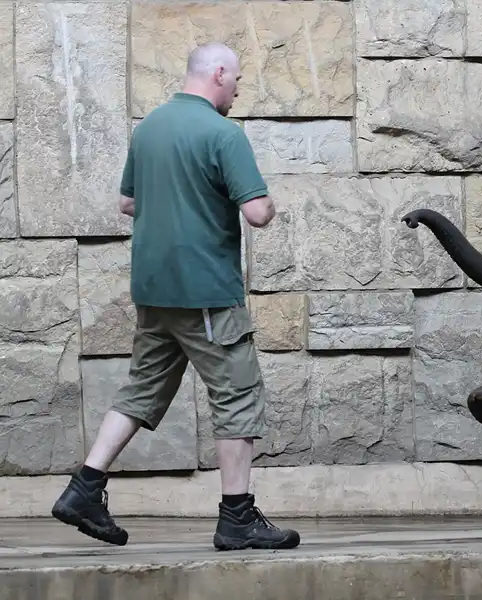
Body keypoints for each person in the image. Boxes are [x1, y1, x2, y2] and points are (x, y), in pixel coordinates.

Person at [50, 42, 300, 552]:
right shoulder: (223, 134)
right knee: (237, 396)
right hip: (205, 292)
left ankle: (84, 489)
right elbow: (256, 212)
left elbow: (127, 202)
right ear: (219, 73)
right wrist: (266, 203)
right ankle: (237, 519)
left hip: (154, 291)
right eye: (237, 80)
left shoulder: (150, 128)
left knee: (142, 389)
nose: (238, 89)